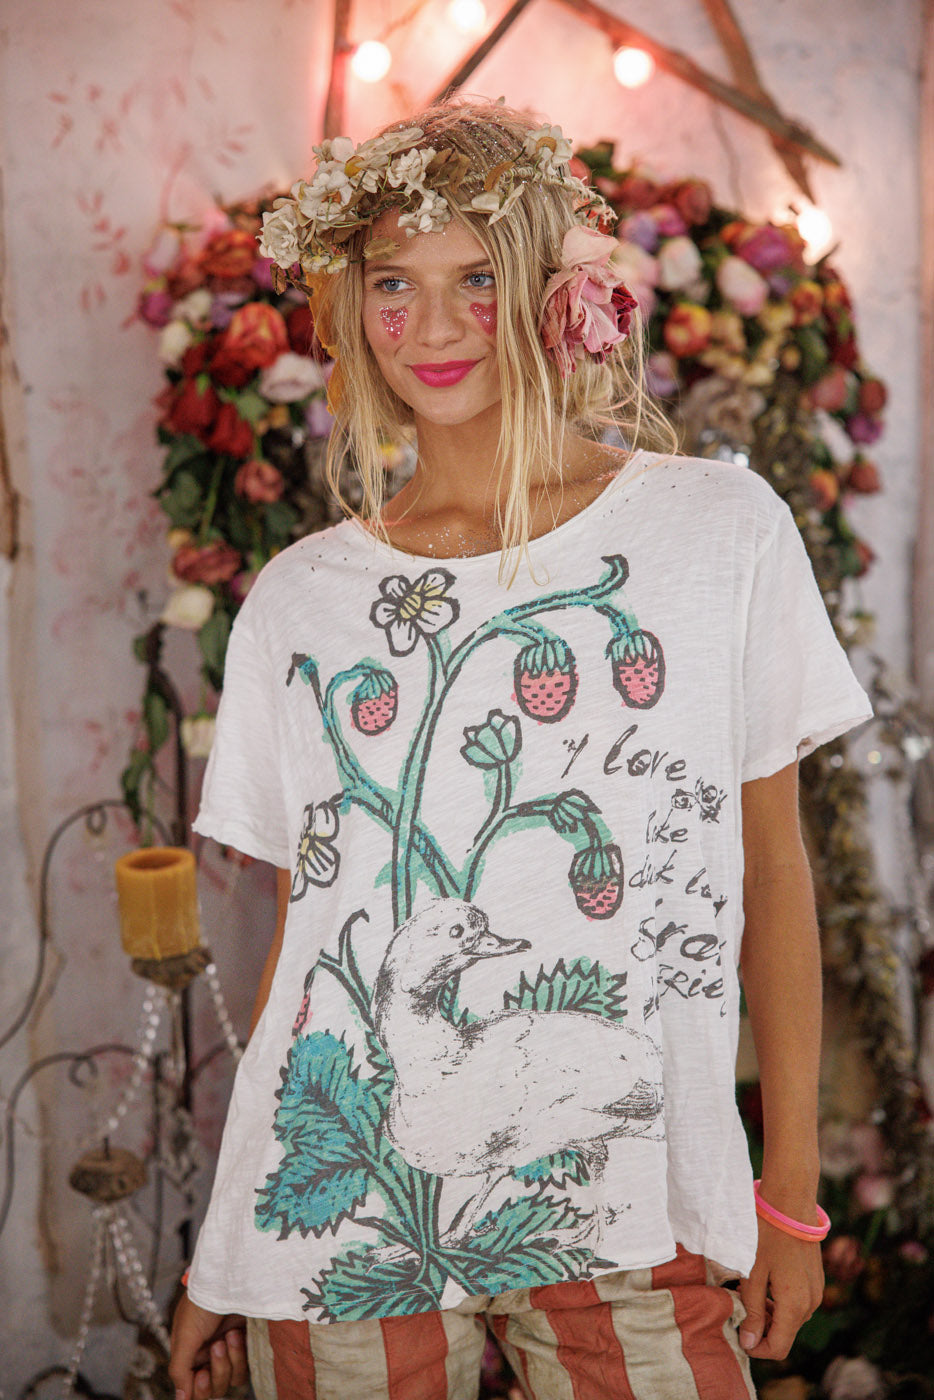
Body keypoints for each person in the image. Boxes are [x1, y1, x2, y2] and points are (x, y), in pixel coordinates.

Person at [168, 100, 871, 1400]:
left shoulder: (714, 532)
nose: (432, 328)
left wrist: (787, 1193)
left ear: (556, 291)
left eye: (477, 280)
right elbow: (307, 948)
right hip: (347, 1220)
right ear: (350, 302)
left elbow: (773, 873)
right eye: (394, 283)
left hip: (624, 1184)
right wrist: (227, 1256)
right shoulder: (301, 601)